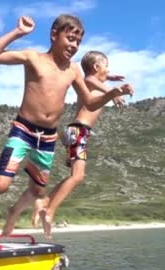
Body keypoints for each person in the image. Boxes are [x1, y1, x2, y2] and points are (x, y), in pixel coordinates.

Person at [0, 15, 134, 236]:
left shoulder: (73, 70)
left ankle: (11, 222)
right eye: (70, 39)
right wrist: (18, 32)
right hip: (23, 130)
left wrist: (112, 93)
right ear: (53, 35)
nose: (74, 46)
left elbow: (89, 101)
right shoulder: (33, 58)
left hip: (47, 138)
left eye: (78, 42)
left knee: (38, 190)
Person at [33, 51, 126, 238]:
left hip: (77, 133)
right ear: (96, 68)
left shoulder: (97, 81)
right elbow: (93, 80)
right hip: (78, 131)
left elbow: (100, 79)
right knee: (77, 176)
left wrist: (109, 77)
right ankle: (49, 211)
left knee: (74, 176)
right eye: (106, 66)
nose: (109, 70)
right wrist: (113, 92)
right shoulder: (89, 80)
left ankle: (45, 203)